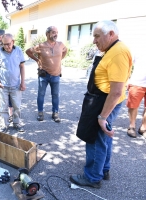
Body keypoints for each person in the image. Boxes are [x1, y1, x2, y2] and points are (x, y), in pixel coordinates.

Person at [70, 20, 132, 189]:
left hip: (104, 102)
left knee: (95, 138)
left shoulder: (118, 53)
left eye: (97, 36)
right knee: (104, 137)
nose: (94, 41)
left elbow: (117, 91)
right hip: (101, 99)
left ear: (111, 34)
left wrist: (102, 117)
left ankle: (92, 177)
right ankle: (103, 169)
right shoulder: (111, 49)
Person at [25, 26, 67, 122]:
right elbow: (28, 51)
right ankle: (40, 113)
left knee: (55, 95)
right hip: (43, 75)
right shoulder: (41, 46)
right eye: (53, 32)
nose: (55, 34)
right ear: (47, 34)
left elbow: (65, 51)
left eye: (56, 32)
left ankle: (55, 113)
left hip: (56, 75)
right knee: (41, 94)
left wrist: (59, 60)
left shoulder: (60, 45)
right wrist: (37, 60)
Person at [0, 33, 26, 132]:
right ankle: (5, 125)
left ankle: (16, 123)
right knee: (3, 107)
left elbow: (22, 67)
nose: (6, 46)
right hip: (3, 86)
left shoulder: (18, 51)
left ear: (13, 42)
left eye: (8, 44)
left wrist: (23, 82)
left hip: (16, 85)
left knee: (17, 106)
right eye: (4, 44)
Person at [126, 52, 146, 138]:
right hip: (137, 82)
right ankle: (132, 126)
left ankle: (143, 128)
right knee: (133, 105)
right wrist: (126, 78)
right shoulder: (139, 47)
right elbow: (127, 64)